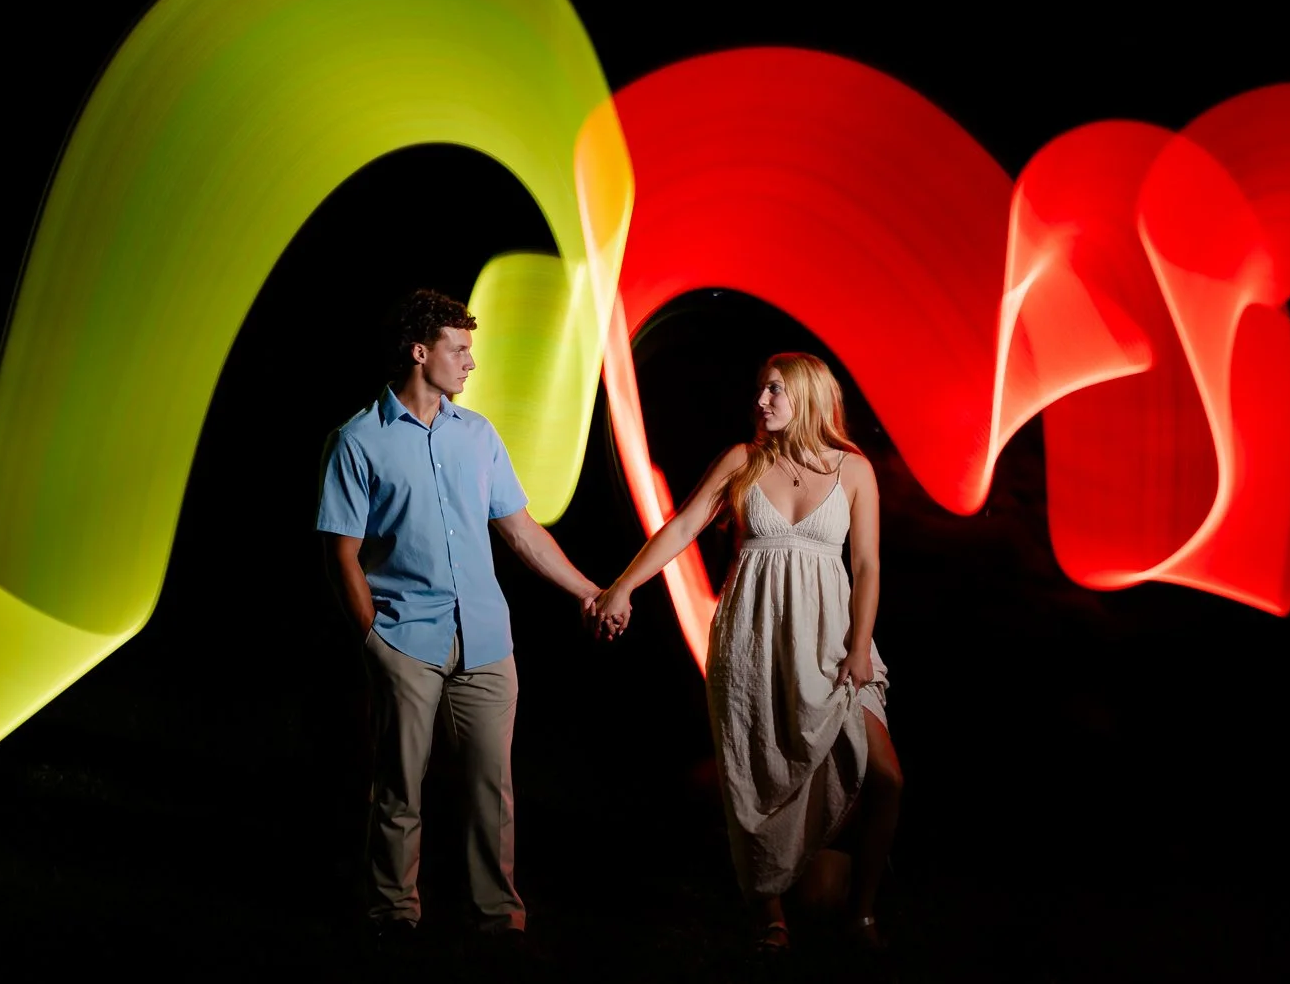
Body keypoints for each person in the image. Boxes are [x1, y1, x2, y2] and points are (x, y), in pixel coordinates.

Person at [316, 288, 601, 959]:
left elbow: (521, 531)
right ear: (422, 353)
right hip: (404, 640)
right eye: (460, 349)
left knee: (491, 790)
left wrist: (591, 590)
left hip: (486, 639)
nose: (471, 363)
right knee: (399, 787)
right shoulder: (357, 440)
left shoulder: (478, 435)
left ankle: (498, 919)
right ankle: (393, 914)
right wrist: (372, 641)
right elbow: (341, 553)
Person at [592, 352, 903, 957]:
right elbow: (683, 527)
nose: (761, 401)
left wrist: (861, 647)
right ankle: (771, 917)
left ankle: (861, 915)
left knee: (886, 776)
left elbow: (866, 565)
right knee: (753, 772)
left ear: (809, 396)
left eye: (775, 391)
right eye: (760, 390)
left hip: (835, 643)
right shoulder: (744, 460)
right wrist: (623, 585)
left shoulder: (853, 471)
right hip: (754, 638)